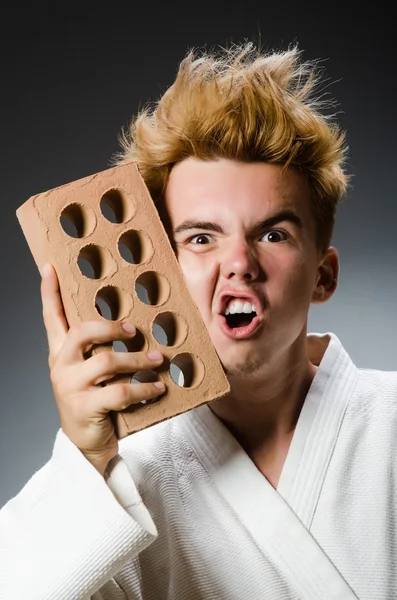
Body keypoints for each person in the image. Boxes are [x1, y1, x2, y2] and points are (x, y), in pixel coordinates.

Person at [1, 43, 395, 600]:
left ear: (322, 276)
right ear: (162, 265)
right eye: (201, 238)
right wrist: (87, 457)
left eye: (273, 234)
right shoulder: (123, 481)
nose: (239, 263)